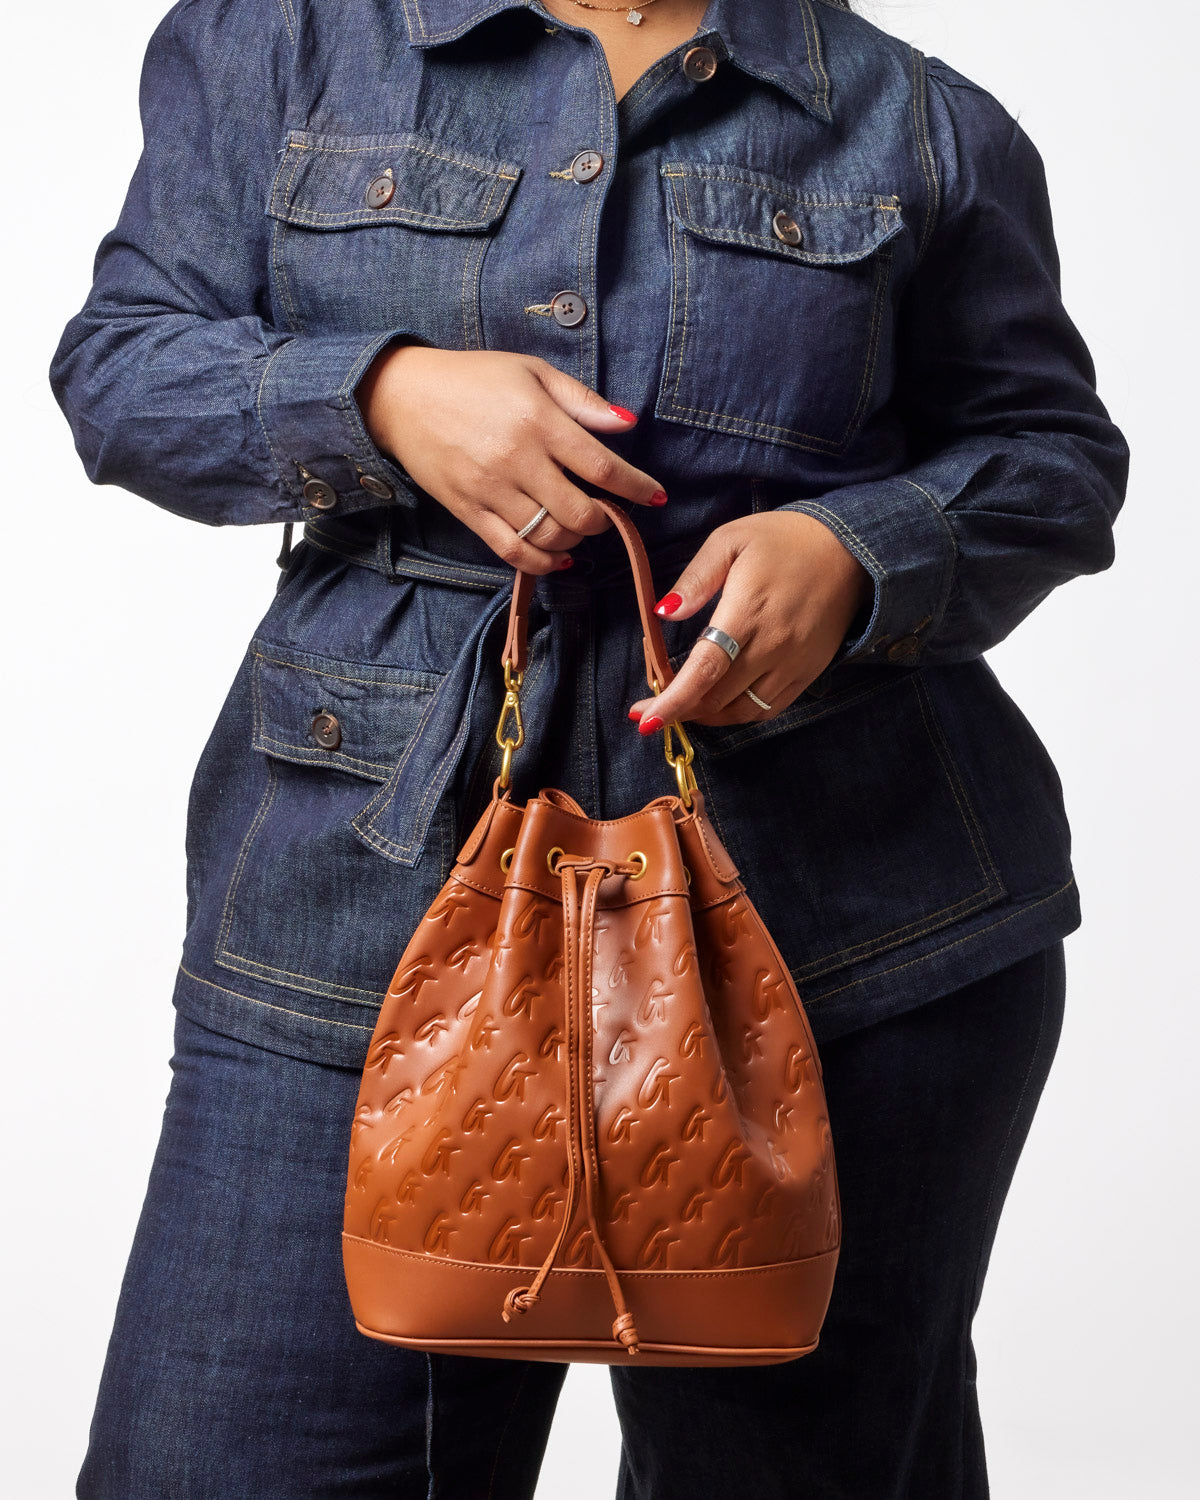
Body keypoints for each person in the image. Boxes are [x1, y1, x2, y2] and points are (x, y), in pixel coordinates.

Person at [49, 0, 1128, 1494]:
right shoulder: (274, 45)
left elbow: (1055, 460)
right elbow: (119, 370)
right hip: (346, 935)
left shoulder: (920, 121)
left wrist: (858, 549)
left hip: (851, 945)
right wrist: (377, 394)